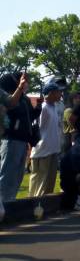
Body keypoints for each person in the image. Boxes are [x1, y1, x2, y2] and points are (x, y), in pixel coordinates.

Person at [0, 72, 37, 202]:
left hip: (22, 140)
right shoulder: (9, 96)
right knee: (7, 174)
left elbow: (28, 117)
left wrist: (37, 109)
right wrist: (19, 89)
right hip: (10, 139)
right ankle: (3, 205)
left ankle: (9, 204)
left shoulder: (24, 99)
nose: (25, 83)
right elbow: (11, 105)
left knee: (17, 176)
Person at [29, 80, 64, 197]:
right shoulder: (43, 108)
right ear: (51, 93)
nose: (60, 95)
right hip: (42, 150)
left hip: (53, 149)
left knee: (50, 183)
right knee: (40, 182)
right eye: (58, 92)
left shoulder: (54, 107)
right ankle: (34, 206)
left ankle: (45, 209)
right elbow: (37, 128)